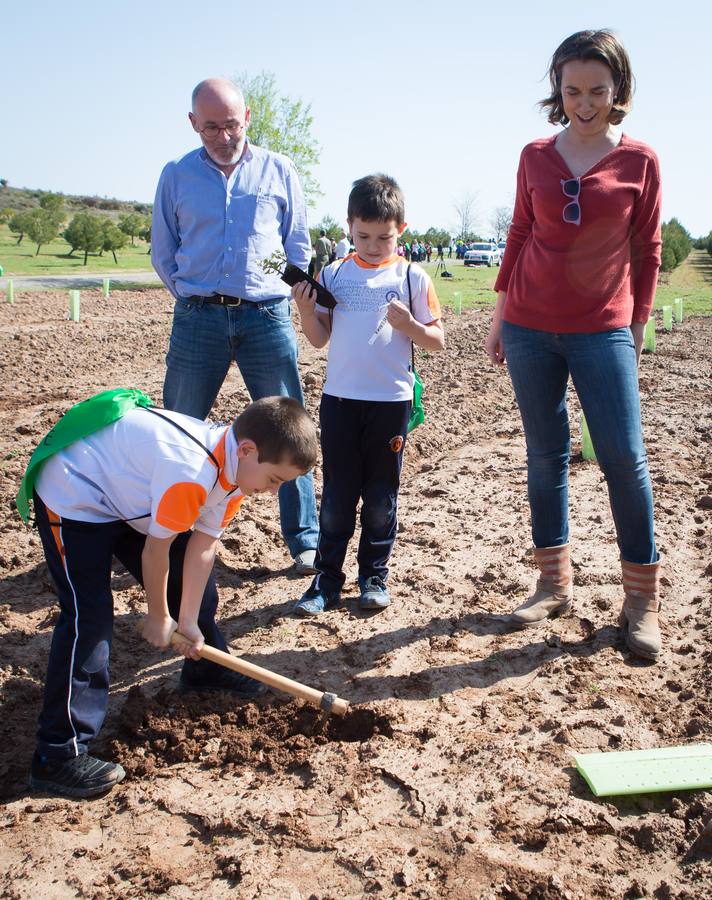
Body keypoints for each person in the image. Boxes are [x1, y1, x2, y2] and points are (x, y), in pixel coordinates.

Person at [25, 396, 318, 798]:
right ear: (248, 450)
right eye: (274, 481)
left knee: (194, 585)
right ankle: (57, 755)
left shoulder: (234, 473)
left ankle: (205, 669)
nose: (271, 492)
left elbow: (201, 548)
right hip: (76, 495)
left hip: (131, 495)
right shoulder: (191, 473)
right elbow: (155, 552)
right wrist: (159, 615)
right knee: (88, 617)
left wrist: (189, 622)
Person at [484, 30, 663, 660]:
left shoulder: (640, 161)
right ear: (557, 91)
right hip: (531, 327)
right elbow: (519, 234)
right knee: (545, 454)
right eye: (572, 90)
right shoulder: (535, 155)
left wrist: (636, 323)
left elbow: (648, 248)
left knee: (622, 458)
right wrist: (502, 314)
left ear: (618, 92)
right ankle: (552, 583)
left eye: (597, 91)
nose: (584, 103)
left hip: (603, 330)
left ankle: (641, 599)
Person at [151, 77, 319, 576]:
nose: (223, 136)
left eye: (230, 124)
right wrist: (192, 295)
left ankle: (304, 540)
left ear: (247, 117)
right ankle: (169, 532)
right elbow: (164, 251)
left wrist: (277, 289)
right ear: (192, 124)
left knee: (292, 426)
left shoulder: (279, 170)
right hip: (198, 318)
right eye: (210, 128)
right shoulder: (176, 175)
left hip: (265, 317)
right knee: (178, 429)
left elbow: (298, 247)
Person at [291, 174, 445, 615]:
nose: (374, 245)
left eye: (385, 237)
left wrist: (410, 327)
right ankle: (325, 581)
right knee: (338, 496)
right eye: (363, 236)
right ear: (348, 227)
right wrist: (305, 307)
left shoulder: (413, 276)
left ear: (402, 230)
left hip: (390, 404)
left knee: (381, 496)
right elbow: (319, 339)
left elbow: (437, 339)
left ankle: (374, 575)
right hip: (340, 401)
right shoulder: (334, 273)